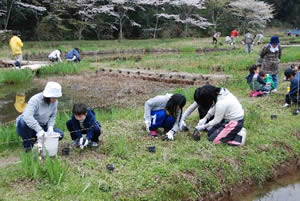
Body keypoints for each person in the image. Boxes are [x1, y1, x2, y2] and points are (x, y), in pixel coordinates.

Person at [16, 82, 64, 152]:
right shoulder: (35, 100)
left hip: (43, 125)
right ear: (47, 96)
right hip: (28, 127)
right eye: (54, 98)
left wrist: (50, 128)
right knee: (22, 121)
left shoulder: (55, 102)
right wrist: (39, 130)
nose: (55, 100)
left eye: (56, 98)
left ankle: (37, 141)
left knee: (60, 134)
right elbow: (27, 116)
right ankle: (28, 146)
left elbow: (53, 116)